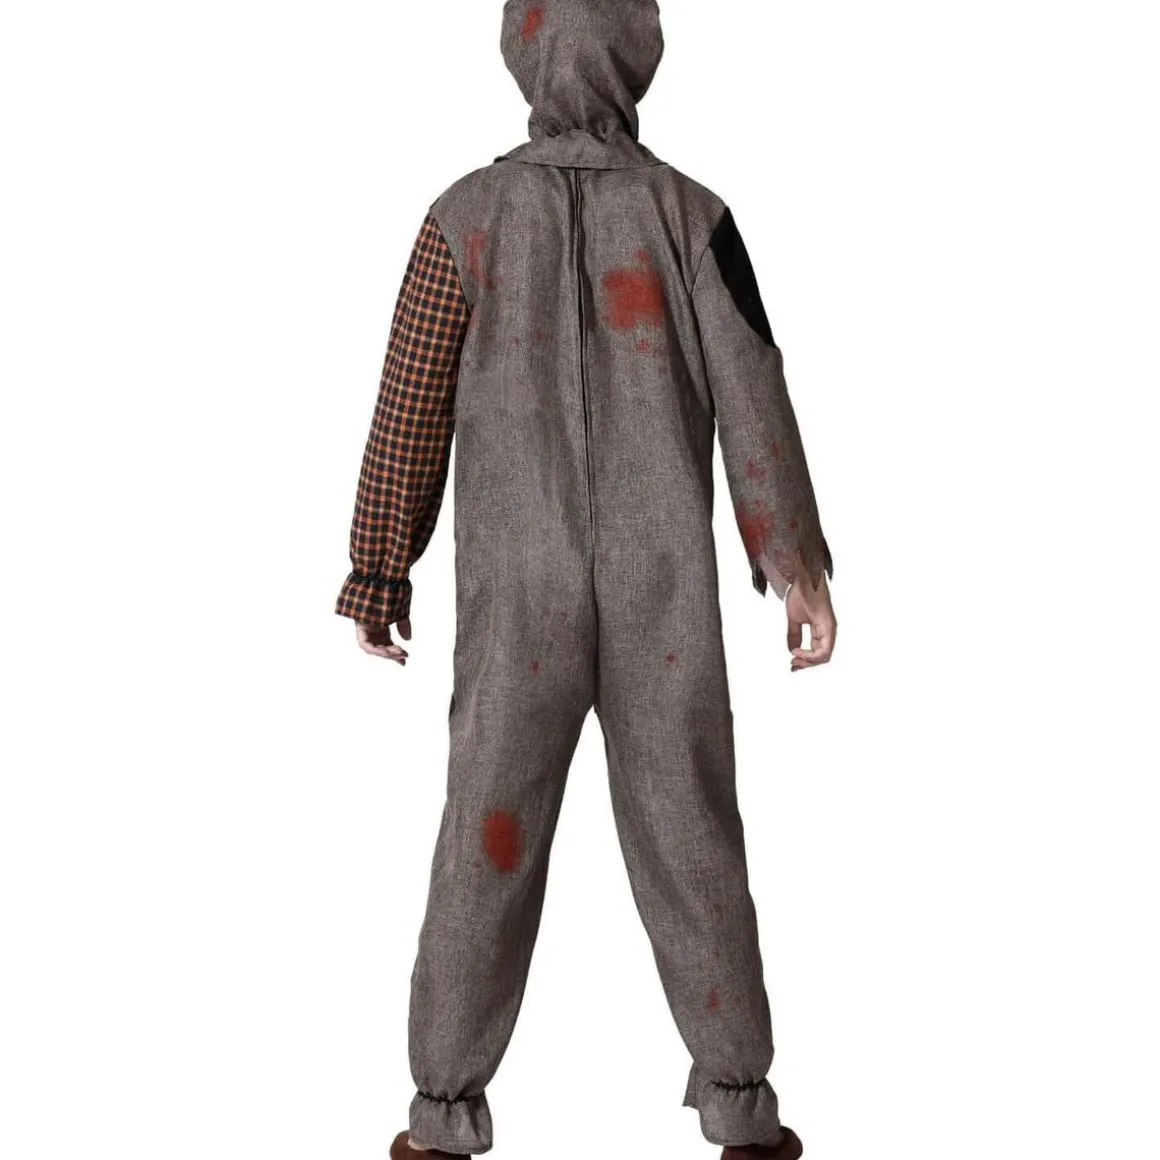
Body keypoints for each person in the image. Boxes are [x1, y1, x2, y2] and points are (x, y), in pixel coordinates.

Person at [336, 2, 836, 1156]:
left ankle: (439, 1117)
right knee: (692, 831)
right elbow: (752, 388)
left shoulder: (463, 217)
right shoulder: (692, 217)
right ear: (638, 52)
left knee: (484, 835)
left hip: (515, 589)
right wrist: (793, 560)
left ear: (519, 51)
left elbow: (407, 404)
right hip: (664, 590)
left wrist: (378, 566)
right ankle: (742, 1108)